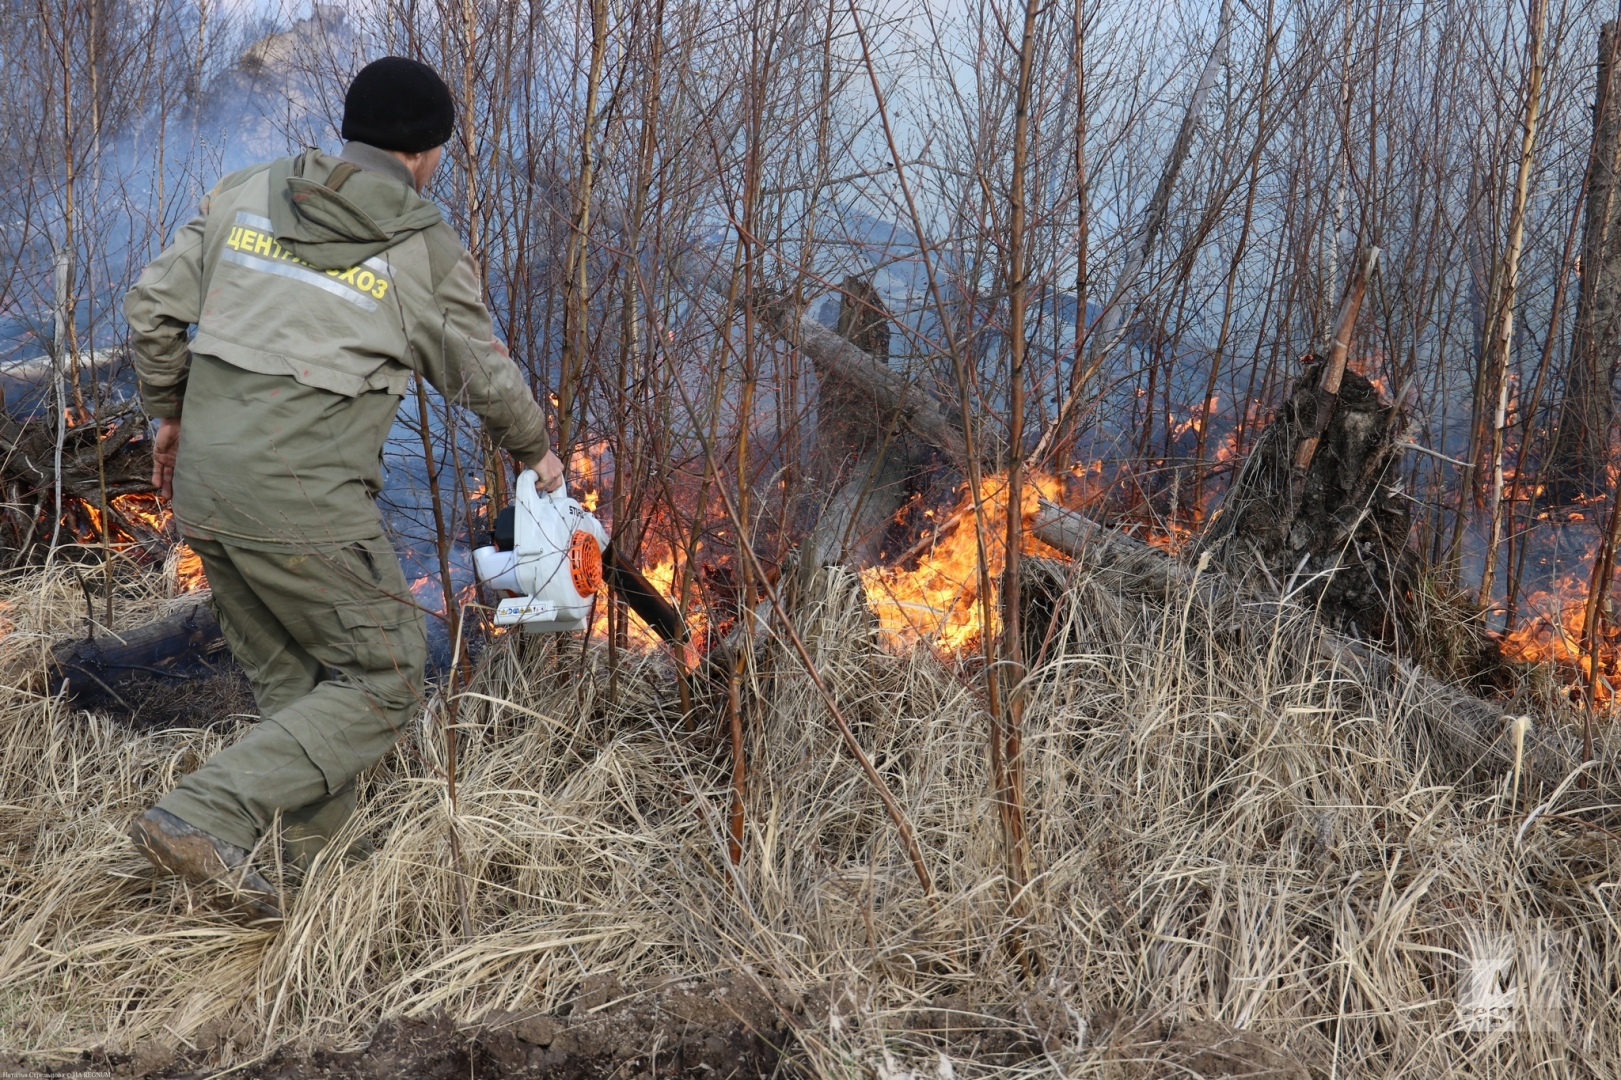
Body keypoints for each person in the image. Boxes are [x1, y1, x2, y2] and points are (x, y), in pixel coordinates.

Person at [122, 56, 561, 920]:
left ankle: (303, 890)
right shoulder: (420, 247)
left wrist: (169, 414)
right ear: (430, 152)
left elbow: (149, 310)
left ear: (350, 130)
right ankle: (202, 815)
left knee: (300, 689)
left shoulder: (247, 189)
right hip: (302, 500)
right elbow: (480, 371)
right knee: (390, 674)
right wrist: (538, 454)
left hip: (207, 486)